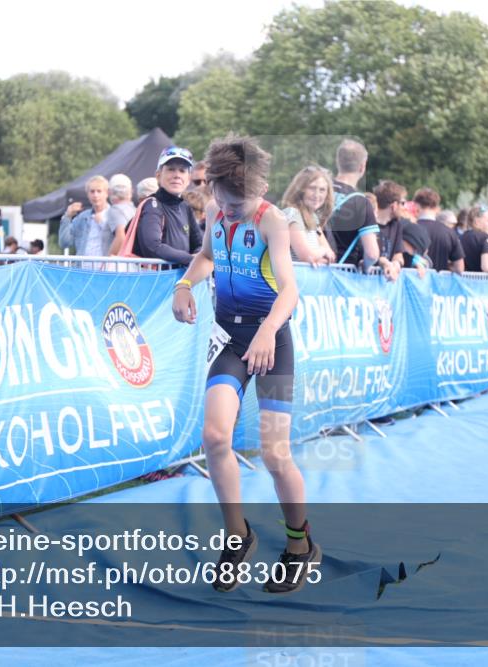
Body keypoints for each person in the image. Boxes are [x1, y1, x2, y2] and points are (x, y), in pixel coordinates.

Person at [171, 136, 318, 594]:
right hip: (230, 339)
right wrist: (183, 285)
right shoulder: (215, 212)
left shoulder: (274, 221)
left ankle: (300, 545)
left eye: (241, 205)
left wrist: (268, 331)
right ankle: (238, 535)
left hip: (271, 338)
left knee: (275, 454)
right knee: (214, 437)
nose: (232, 212)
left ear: (258, 192)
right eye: (226, 203)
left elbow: (290, 290)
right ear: (212, 189)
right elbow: (207, 256)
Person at [325, 139, 398, 281]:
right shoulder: (361, 202)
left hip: (312, 271)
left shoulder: (318, 190)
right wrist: (366, 265)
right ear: (362, 166)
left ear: (338, 162)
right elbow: (372, 253)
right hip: (342, 276)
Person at [133, 146, 202, 267]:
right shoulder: (152, 206)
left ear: (188, 179)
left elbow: (199, 244)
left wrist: (197, 256)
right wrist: (191, 259)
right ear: (158, 175)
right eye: (171, 169)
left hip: (182, 281)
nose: (177, 175)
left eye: (182, 171)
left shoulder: (185, 207)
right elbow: (153, 247)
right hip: (156, 282)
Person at [280, 165, 336, 265]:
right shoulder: (292, 213)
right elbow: (307, 256)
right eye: (312, 188)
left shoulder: (314, 218)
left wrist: (319, 258)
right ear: (301, 189)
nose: (317, 195)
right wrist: (323, 251)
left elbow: (331, 257)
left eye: (322, 190)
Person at [59, 175, 114, 263]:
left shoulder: (114, 215)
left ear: (107, 193)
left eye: (99, 191)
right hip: (82, 272)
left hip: (106, 272)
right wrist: (67, 216)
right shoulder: (82, 217)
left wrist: (102, 223)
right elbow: (64, 242)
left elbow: (121, 241)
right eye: (92, 191)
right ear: (87, 194)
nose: (95, 195)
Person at [413, 189, 464, 273]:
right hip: (439, 284)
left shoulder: (409, 229)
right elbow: (459, 268)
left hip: (413, 283)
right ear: (436, 208)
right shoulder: (449, 232)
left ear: (417, 206)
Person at [371, 180, 406, 270]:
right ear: (394, 206)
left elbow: (398, 254)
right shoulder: (369, 223)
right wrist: (383, 262)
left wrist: (396, 263)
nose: (404, 207)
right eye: (402, 203)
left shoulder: (396, 225)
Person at [104, 173, 136, 257]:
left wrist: (107, 261)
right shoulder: (134, 210)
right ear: (131, 191)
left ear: (109, 191)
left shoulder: (115, 210)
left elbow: (121, 237)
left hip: (118, 264)